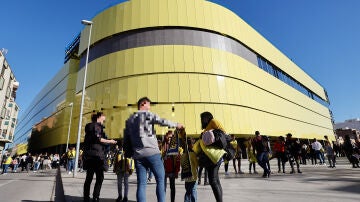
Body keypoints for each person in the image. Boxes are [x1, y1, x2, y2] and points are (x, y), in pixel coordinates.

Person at [123, 97, 183, 202]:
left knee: (141, 184)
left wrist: (129, 153)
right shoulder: (148, 115)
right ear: (143, 104)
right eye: (148, 105)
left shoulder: (130, 120)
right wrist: (176, 125)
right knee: (160, 180)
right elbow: (162, 121)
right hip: (152, 153)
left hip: (138, 155)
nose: (149, 107)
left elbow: (126, 140)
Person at [83, 112, 117, 202]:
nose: (104, 119)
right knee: (99, 177)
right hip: (96, 156)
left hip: (90, 155)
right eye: (103, 117)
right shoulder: (96, 126)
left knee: (89, 177)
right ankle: (95, 197)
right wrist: (110, 141)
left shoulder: (90, 126)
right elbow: (98, 138)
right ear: (99, 117)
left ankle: (87, 197)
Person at [193, 111, 226, 202]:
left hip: (214, 156)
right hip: (211, 156)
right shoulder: (208, 126)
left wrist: (206, 136)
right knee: (215, 180)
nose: (201, 121)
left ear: (206, 118)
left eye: (202, 119)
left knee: (213, 181)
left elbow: (223, 134)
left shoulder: (213, 122)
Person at [162, 130, 181, 202]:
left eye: (171, 138)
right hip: (163, 170)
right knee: (163, 187)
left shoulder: (175, 147)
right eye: (168, 137)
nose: (169, 139)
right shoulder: (164, 145)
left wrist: (176, 171)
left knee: (172, 187)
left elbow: (178, 160)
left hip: (172, 171)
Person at [181, 137, 198, 202]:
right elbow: (196, 165)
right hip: (193, 176)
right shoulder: (193, 154)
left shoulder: (183, 155)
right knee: (193, 190)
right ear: (191, 145)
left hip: (186, 176)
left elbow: (181, 165)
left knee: (188, 191)